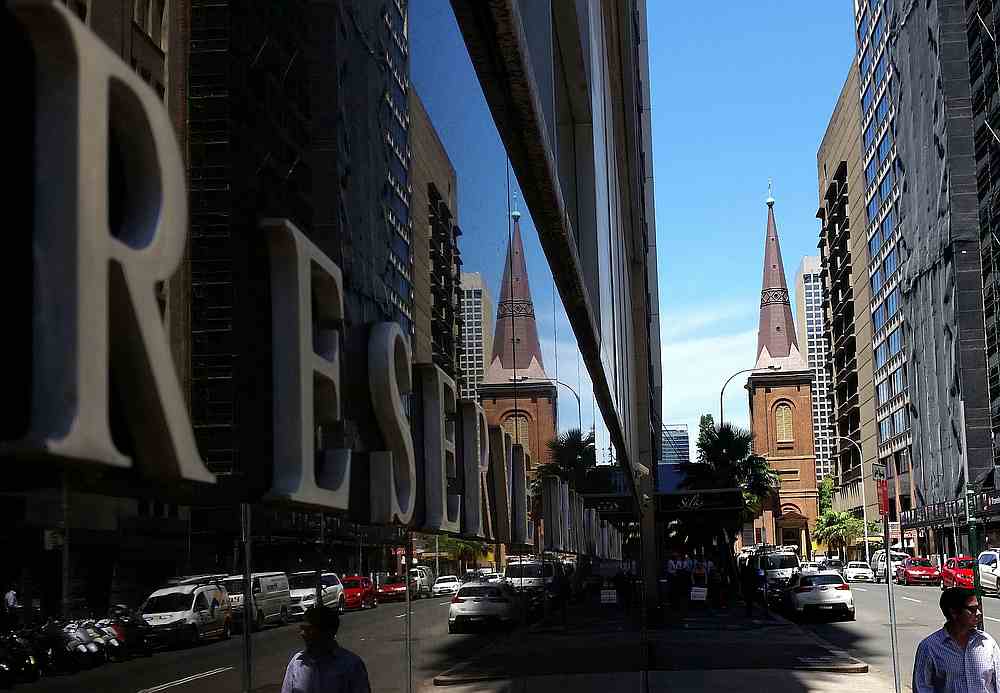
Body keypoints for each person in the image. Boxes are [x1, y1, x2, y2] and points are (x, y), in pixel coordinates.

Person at [913, 587, 1000, 693]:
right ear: (954, 612)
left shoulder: (987, 643)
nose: (978, 613)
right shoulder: (929, 647)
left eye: (979, 608)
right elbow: (922, 688)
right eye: (972, 609)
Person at [280, 605, 370, 693]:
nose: (302, 633)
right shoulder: (297, 663)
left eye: (308, 629)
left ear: (328, 632)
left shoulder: (351, 664)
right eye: (302, 629)